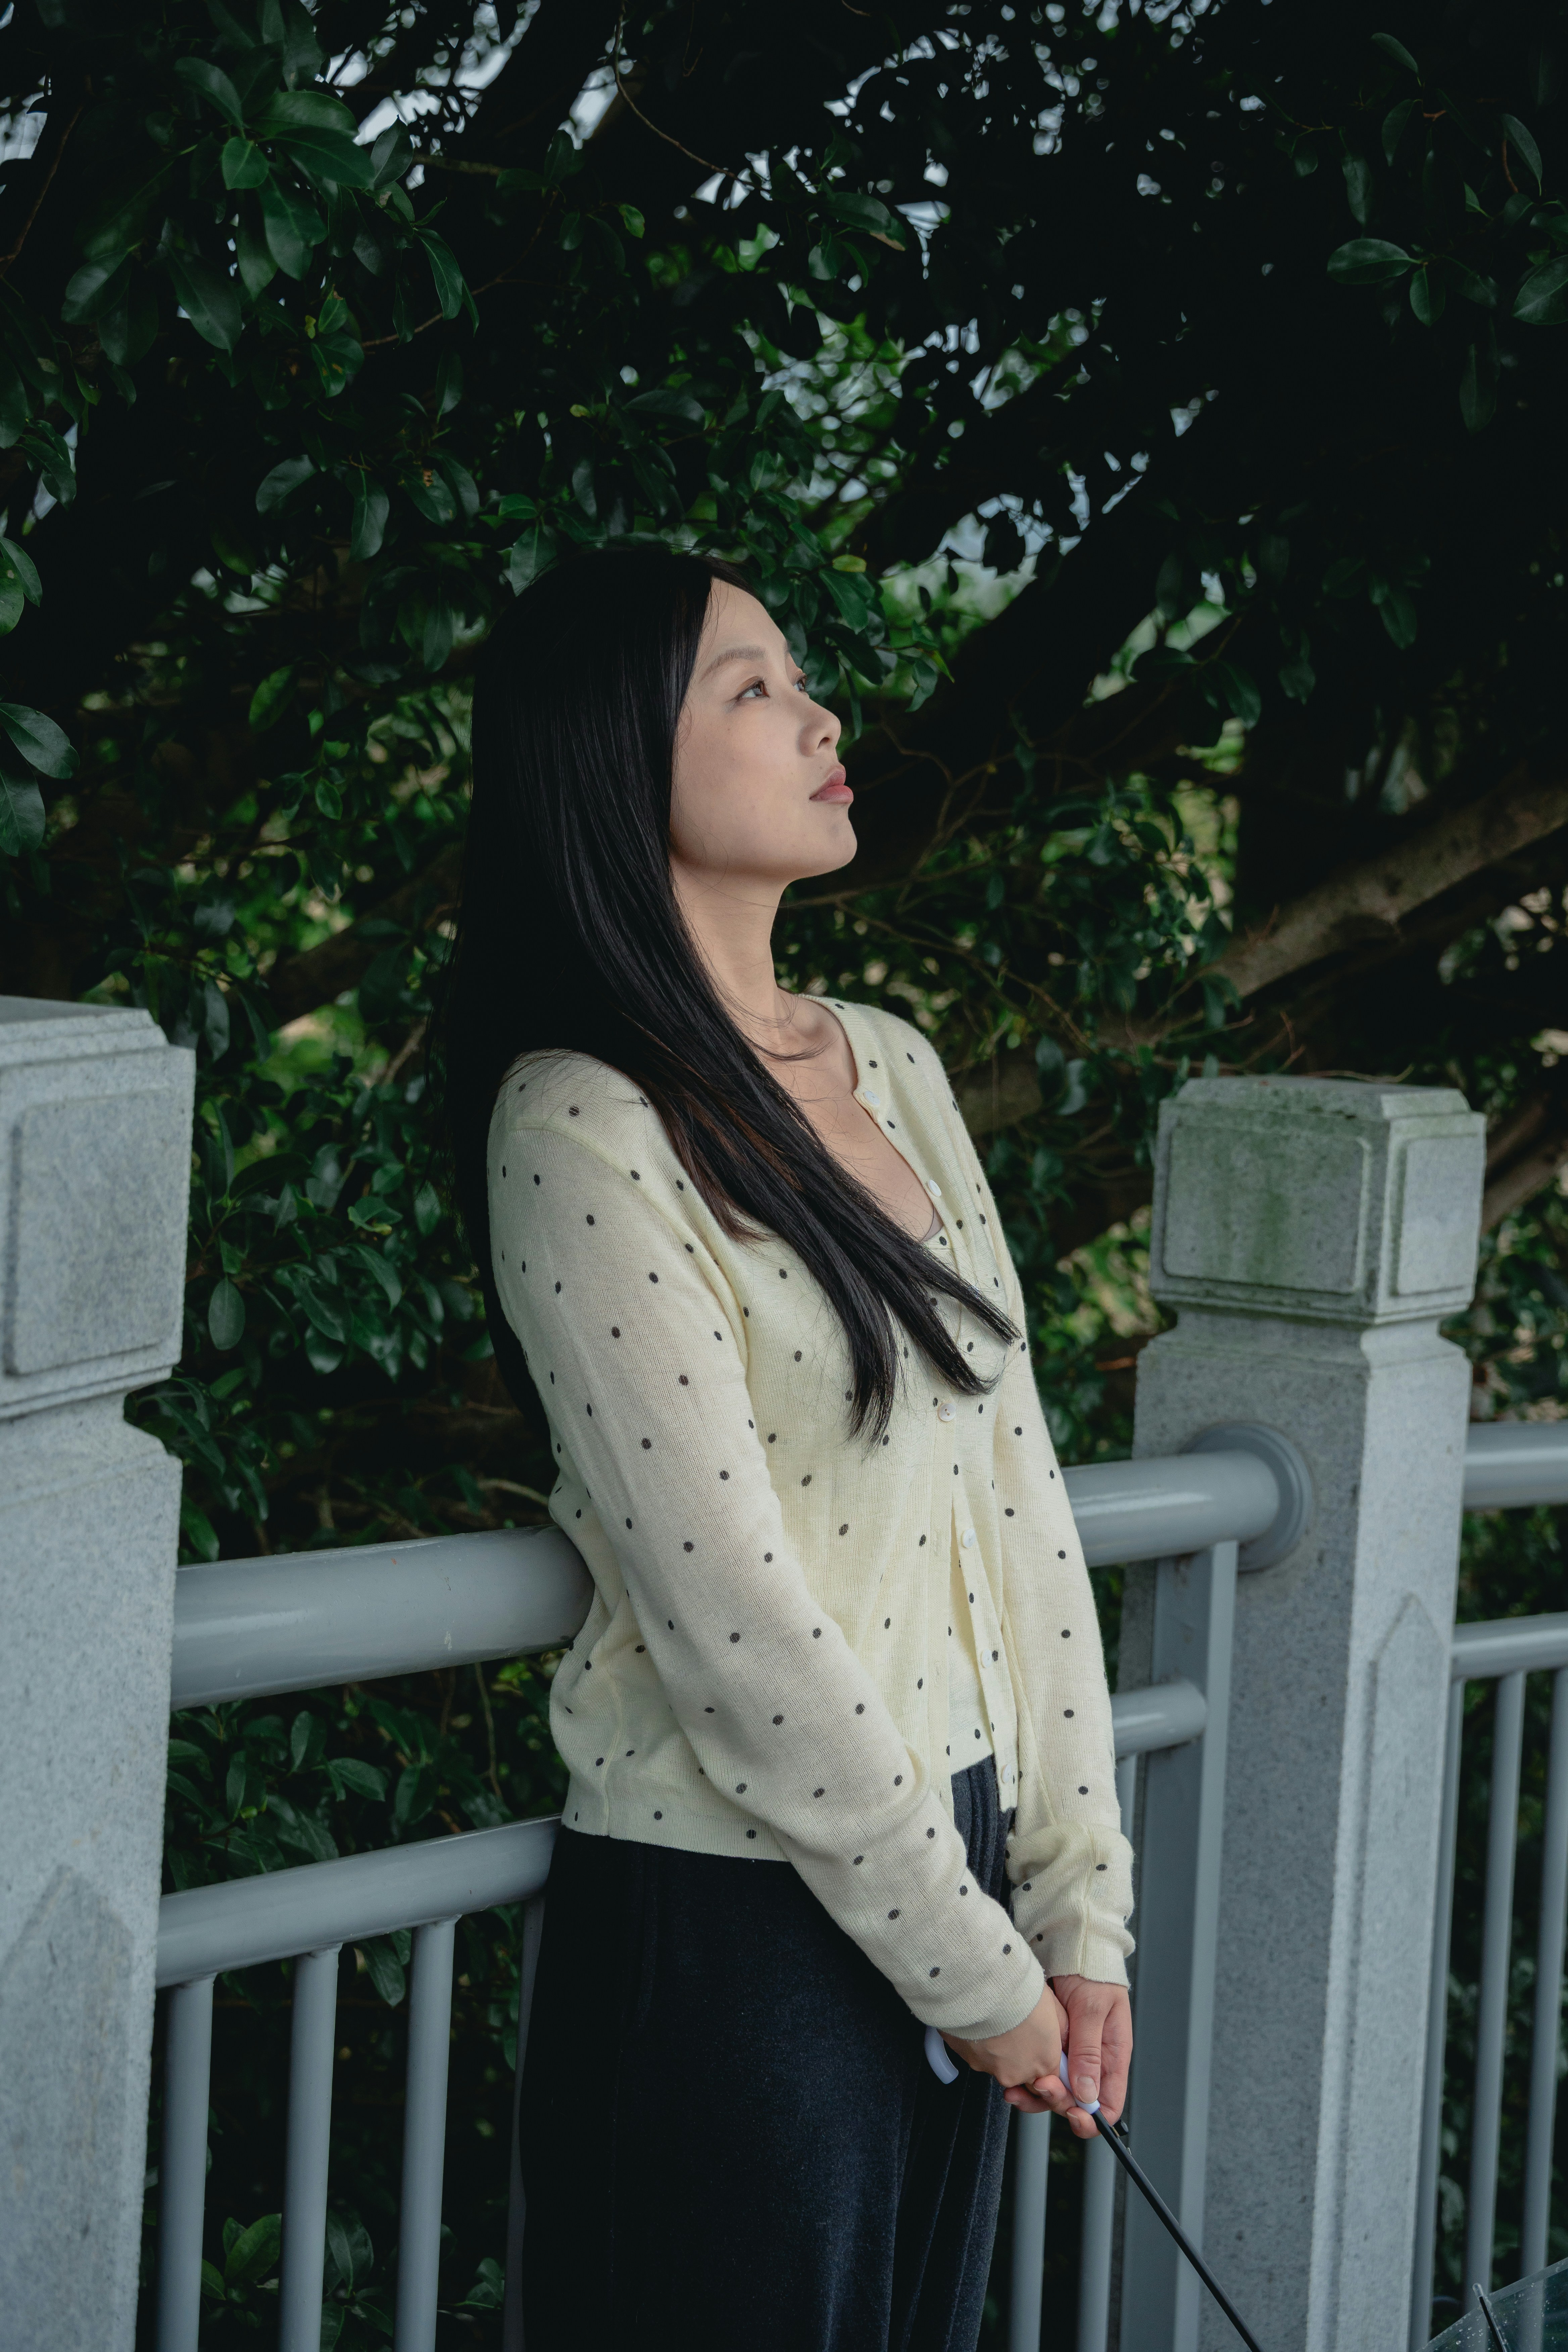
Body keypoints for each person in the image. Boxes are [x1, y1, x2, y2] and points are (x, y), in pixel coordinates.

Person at [438, 547, 1134, 2351]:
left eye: (797, 678)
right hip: (735, 1918)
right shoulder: (581, 1125)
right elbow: (732, 1623)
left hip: (953, 1873)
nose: (822, 716)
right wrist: (978, 1970)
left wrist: (1079, 1920)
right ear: (612, 764)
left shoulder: (887, 1064)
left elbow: (1019, 1507)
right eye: (751, 688)